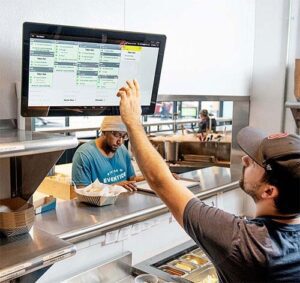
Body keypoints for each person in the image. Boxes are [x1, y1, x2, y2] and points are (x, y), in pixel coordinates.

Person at [117, 80, 300, 282]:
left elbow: (160, 181)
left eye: (254, 161)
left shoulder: (242, 241)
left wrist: (133, 121)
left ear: (268, 191)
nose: (244, 159)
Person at [72, 116, 143, 191]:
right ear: (104, 131)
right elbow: (82, 192)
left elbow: (131, 179)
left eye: (124, 136)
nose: (120, 142)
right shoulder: (84, 155)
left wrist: (150, 177)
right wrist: (114, 187)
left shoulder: (122, 149)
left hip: (124, 200)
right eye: (117, 135)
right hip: (101, 202)